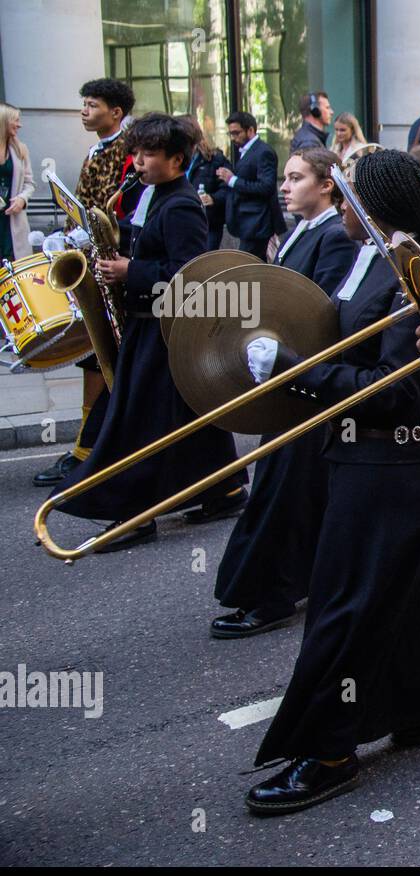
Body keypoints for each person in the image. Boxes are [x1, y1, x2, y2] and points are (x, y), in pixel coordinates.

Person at [242, 149, 420, 814]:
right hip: (365, 456)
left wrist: (300, 371)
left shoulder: (412, 272)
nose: (338, 206)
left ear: (372, 211)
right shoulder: (365, 256)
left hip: (392, 456)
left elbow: (398, 396)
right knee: (410, 597)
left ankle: (327, 750)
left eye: (347, 198)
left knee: (344, 609)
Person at [50, 113, 248, 548]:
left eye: (148, 154)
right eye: (135, 153)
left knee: (136, 424)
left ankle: (134, 517)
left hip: (165, 330)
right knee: (190, 415)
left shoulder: (180, 205)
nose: (137, 161)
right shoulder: (155, 194)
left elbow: (189, 275)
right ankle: (225, 489)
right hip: (150, 326)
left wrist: (130, 270)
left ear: (177, 160)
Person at [211, 148, 357, 640]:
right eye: (286, 178)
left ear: (326, 186)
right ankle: (296, 581)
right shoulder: (304, 230)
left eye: (297, 178)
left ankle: (270, 595)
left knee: (285, 493)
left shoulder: (334, 237)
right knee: (290, 490)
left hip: (303, 383)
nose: (286, 186)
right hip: (287, 378)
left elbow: (319, 316)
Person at [34, 78, 143, 488]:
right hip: (89, 259)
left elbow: (120, 208)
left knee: (101, 354)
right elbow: (83, 201)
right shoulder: (98, 147)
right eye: (83, 103)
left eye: (92, 104)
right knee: (92, 353)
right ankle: (89, 444)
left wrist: (93, 236)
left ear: (115, 112)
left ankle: (91, 449)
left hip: (110, 264)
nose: (83, 110)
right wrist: (66, 235)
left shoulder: (128, 151)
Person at [220, 111, 285, 261]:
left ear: (250, 130)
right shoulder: (246, 151)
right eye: (230, 134)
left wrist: (232, 180)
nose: (233, 138)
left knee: (248, 266)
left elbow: (266, 187)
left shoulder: (263, 152)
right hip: (249, 223)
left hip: (257, 223)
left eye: (236, 133)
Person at [176, 115, 231, 252]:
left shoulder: (214, 159)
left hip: (208, 223)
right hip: (181, 220)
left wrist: (213, 198)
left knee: (204, 265)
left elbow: (227, 187)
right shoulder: (172, 159)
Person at [0, 102, 35, 261]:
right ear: (4, 121)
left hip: (12, 222)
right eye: (16, 120)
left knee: (15, 269)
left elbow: (29, 183)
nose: (19, 125)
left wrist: (22, 199)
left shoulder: (21, 149)